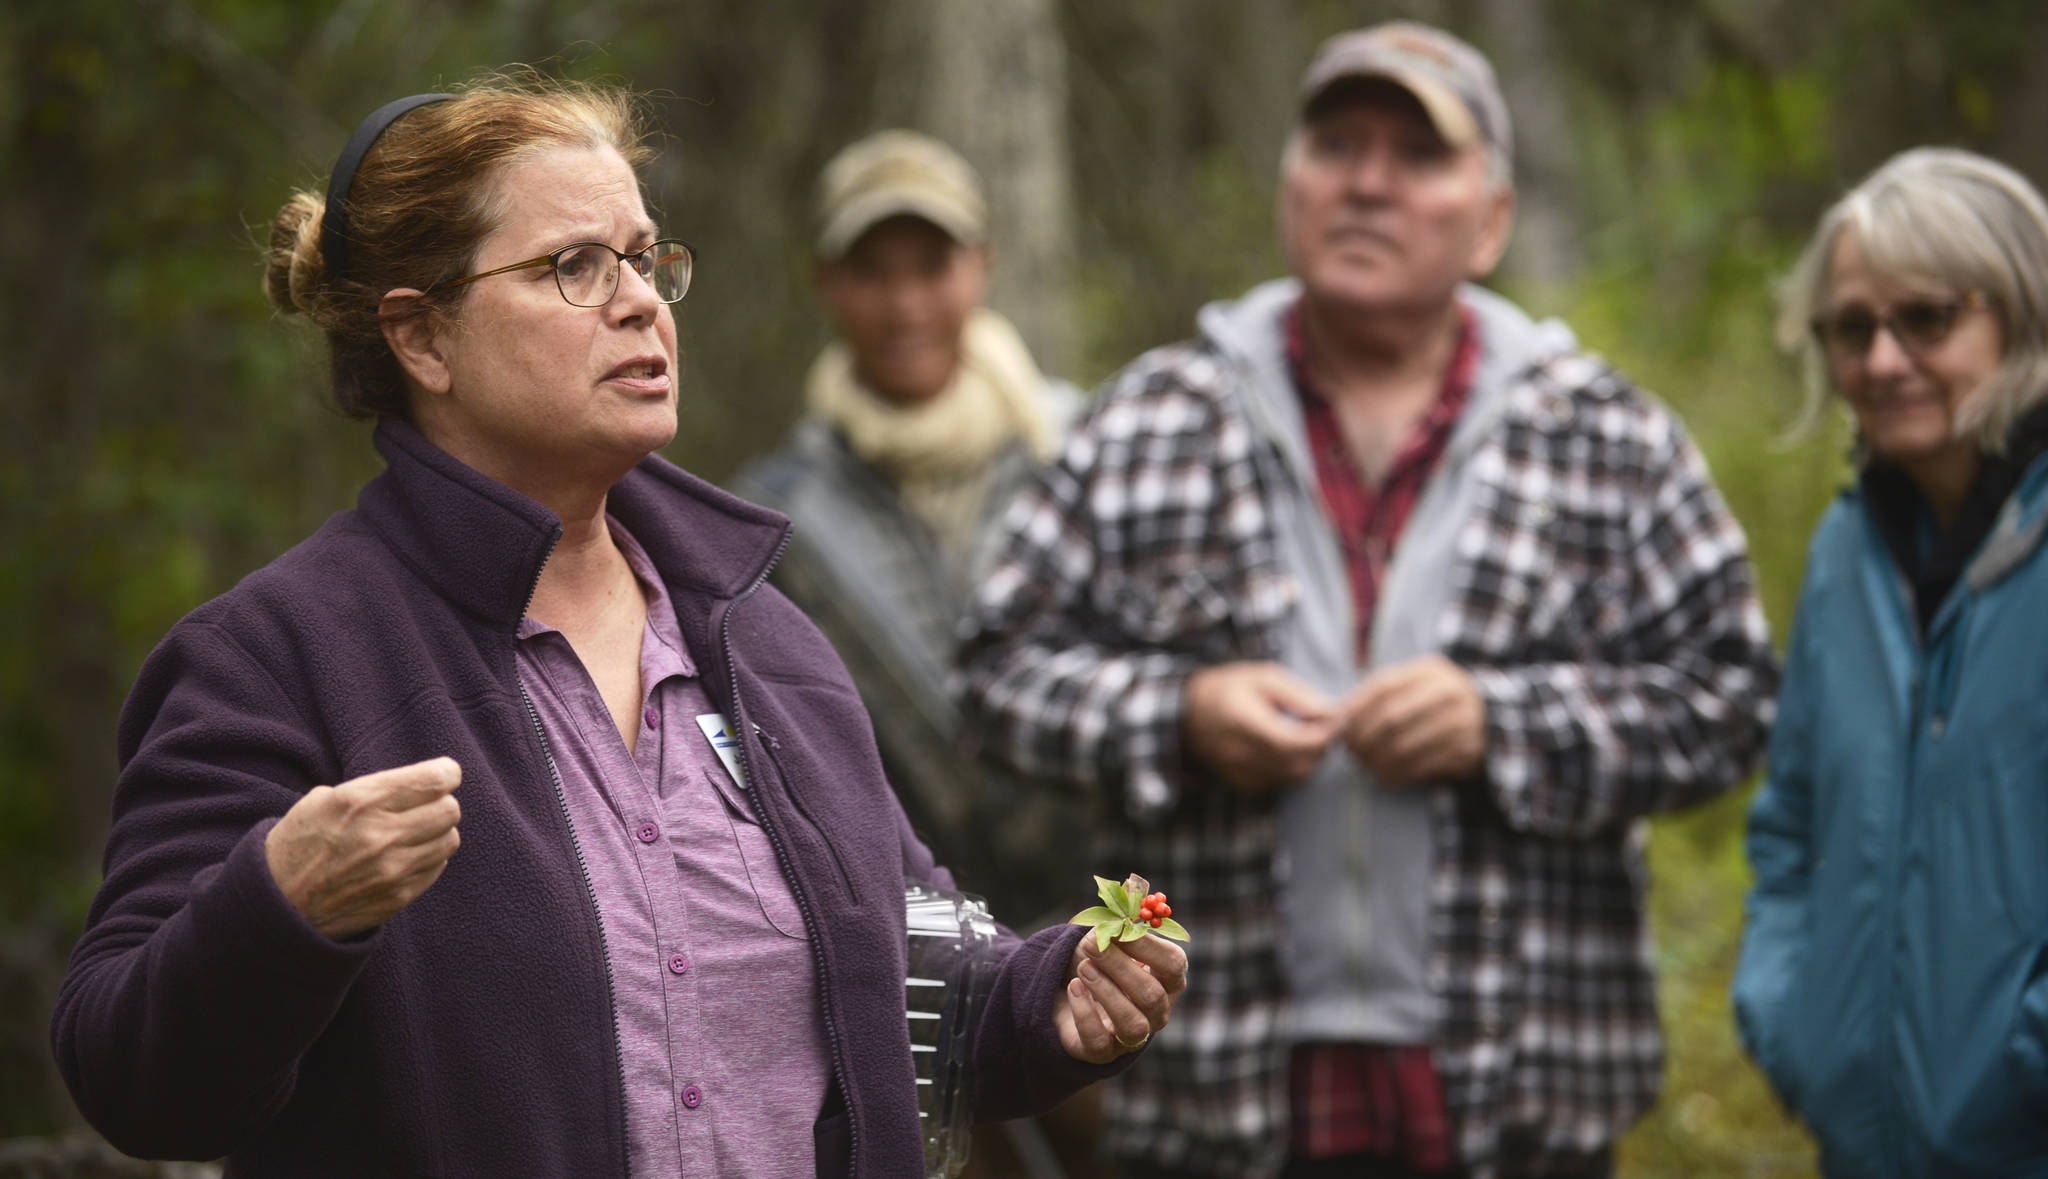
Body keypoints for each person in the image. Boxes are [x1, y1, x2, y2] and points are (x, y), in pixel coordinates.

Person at [49, 74, 1185, 1178]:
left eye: (644, 259)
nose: (640, 299)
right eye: (573, 268)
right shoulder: (276, 659)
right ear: (422, 339)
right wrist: (281, 907)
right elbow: (128, 1075)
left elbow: (915, 956)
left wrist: (1051, 995)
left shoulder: (765, 641)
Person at [959, 21, 1777, 1179]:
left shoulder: (1605, 436)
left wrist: (1504, 725)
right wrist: (1178, 715)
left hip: (1520, 1090)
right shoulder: (1151, 421)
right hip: (1216, 1085)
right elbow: (994, 668)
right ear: (1289, 184)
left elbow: (1728, 697)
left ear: (1490, 216)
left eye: (1417, 154)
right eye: (1336, 144)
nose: (1367, 182)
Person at [1734, 148, 2048, 1177]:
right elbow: (1791, 822)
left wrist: (2020, 1075)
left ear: (2017, 312)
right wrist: (1789, 1018)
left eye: (1925, 318)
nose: (1878, 360)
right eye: (1849, 328)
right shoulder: (1846, 550)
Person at [733, 130, 1086, 929]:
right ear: (826, 282)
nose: (905, 306)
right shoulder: (780, 522)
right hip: (921, 949)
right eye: (872, 273)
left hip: (1104, 924)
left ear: (981, 267)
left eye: (932, 268)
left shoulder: (1078, 450)